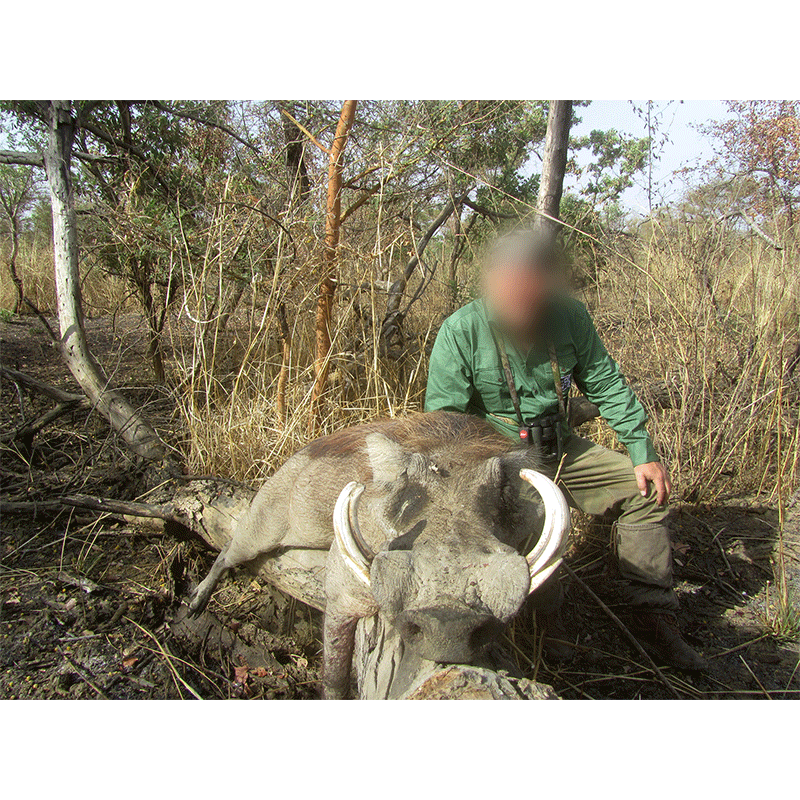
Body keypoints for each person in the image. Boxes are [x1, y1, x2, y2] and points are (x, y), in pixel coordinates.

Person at [424, 230, 706, 670]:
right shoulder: (461, 329)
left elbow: (607, 383)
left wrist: (641, 449)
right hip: (497, 455)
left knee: (643, 492)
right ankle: (543, 630)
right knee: (533, 521)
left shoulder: (570, 317)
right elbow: (445, 424)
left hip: (562, 443)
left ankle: (652, 613)